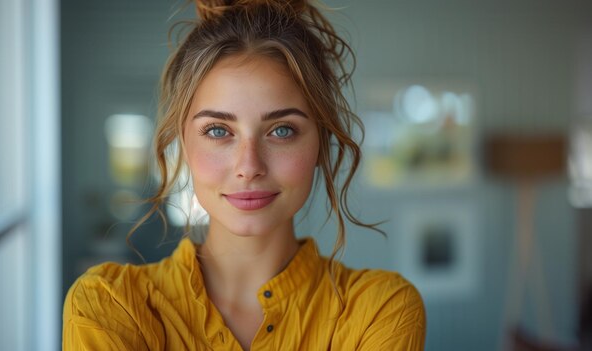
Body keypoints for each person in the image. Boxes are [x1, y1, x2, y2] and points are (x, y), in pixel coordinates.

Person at [62, 0, 426, 350]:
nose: (249, 166)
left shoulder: (379, 311)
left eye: (282, 130)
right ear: (184, 144)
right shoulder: (109, 306)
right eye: (219, 131)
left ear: (321, 141)